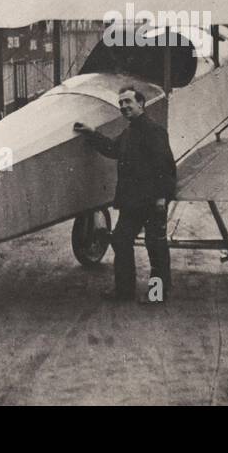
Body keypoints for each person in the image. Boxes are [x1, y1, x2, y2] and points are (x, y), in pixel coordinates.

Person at [73, 86, 176, 304]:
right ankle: (124, 291)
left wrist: (161, 199)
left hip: (151, 202)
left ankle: (157, 294)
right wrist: (91, 133)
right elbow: (112, 149)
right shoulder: (129, 132)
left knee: (155, 248)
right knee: (120, 240)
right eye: (121, 104)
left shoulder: (154, 131)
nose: (123, 107)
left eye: (128, 102)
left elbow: (165, 167)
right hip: (132, 202)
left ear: (141, 103)